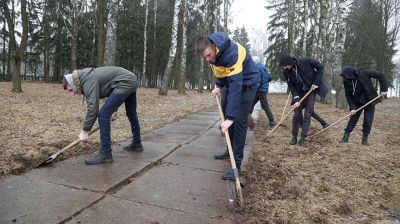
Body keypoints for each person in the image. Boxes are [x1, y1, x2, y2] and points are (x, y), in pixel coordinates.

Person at [195, 32, 260, 180]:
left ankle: (236, 166)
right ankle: (228, 150)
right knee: (225, 112)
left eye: (208, 55)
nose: (207, 59)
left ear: (214, 46)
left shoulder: (232, 53)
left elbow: (236, 87)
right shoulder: (212, 55)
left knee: (238, 121)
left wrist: (231, 117)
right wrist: (218, 85)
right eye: (204, 57)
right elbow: (220, 71)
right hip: (231, 82)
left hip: (247, 83)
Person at [63, 66, 143, 165]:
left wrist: (85, 130)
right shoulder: (85, 78)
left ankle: (105, 153)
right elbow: (111, 87)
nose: (73, 94)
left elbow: (93, 109)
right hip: (130, 79)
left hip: (125, 82)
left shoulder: (87, 80)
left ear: (73, 83)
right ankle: (137, 143)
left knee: (103, 114)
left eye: (71, 90)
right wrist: (114, 110)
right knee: (131, 112)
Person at [279, 53, 328, 146]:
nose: (284, 68)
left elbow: (320, 67)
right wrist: (296, 99)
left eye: (285, 66)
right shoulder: (286, 72)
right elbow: (291, 86)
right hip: (299, 93)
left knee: (307, 115)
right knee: (296, 115)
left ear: (290, 62)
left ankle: (302, 138)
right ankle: (294, 137)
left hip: (310, 90)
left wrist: (316, 82)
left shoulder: (305, 61)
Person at [339, 66, 388, 145]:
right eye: (345, 76)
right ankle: (345, 137)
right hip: (357, 102)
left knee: (368, 120)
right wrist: (352, 107)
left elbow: (380, 75)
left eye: (347, 75)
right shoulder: (346, 81)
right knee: (353, 119)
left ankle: (365, 139)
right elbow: (348, 96)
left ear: (351, 73)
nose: (346, 77)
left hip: (369, 100)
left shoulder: (363, 73)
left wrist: (384, 89)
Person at [250, 56, 276, 129]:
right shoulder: (263, 68)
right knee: (251, 103)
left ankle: (272, 122)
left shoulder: (257, 68)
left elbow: (257, 80)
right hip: (261, 90)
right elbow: (270, 78)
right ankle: (247, 119)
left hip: (260, 90)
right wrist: (265, 83)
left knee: (265, 106)